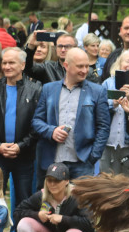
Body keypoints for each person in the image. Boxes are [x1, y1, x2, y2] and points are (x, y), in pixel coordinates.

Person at [0, 48, 41, 221]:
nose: (7, 66)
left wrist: (21, 146)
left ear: (22, 65)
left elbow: (37, 124)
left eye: (11, 62)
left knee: (24, 198)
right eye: (4, 63)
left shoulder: (35, 89)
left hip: (24, 156)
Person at [32, 48, 110, 181]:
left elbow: (103, 127)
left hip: (83, 161)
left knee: (80, 201)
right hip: (52, 160)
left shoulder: (97, 91)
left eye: (87, 66)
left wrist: (92, 157)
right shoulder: (48, 89)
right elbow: (36, 121)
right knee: (49, 201)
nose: (85, 70)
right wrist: (52, 131)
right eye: (80, 66)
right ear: (66, 66)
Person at [14, 162, 95, 232]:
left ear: (66, 181)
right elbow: (17, 213)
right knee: (23, 224)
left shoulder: (78, 196)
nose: (52, 184)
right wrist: (37, 215)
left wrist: (63, 219)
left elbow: (90, 225)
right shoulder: (41, 195)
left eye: (57, 180)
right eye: (49, 180)